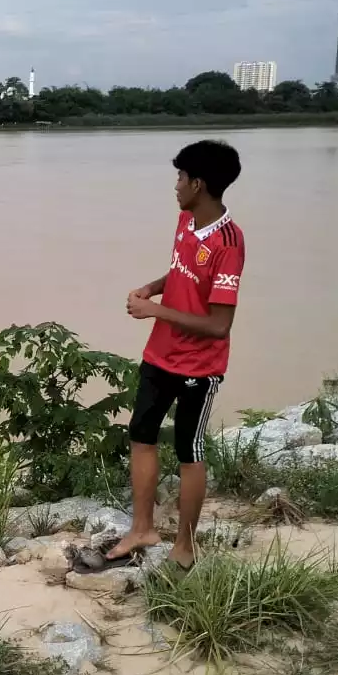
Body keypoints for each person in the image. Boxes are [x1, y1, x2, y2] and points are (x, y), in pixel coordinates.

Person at [104, 140, 245, 572]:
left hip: (198, 368)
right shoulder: (186, 221)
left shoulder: (229, 244)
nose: (176, 186)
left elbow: (220, 324)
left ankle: (184, 544)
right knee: (141, 435)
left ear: (198, 184)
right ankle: (142, 527)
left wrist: (153, 310)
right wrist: (153, 287)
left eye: (180, 178)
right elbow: (182, 271)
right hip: (160, 354)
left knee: (189, 450)